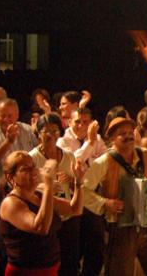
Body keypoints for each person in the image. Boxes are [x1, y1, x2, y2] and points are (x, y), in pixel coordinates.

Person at [82, 116, 147, 276]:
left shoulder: (145, 155)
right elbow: (83, 191)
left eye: (130, 132)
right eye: (122, 133)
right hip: (120, 228)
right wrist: (105, 203)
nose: (128, 136)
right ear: (112, 139)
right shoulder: (104, 161)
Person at [0, 150, 84, 276]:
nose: (33, 171)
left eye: (33, 166)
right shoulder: (10, 203)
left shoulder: (38, 195)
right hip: (26, 272)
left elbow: (75, 209)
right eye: (25, 169)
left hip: (49, 269)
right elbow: (41, 227)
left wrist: (78, 182)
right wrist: (48, 186)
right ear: (10, 177)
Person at [56, 106, 106, 276]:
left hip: (92, 194)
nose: (81, 125)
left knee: (96, 244)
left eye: (85, 122)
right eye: (77, 121)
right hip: (73, 196)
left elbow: (103, 164)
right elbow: (73, 163)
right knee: (74, 245)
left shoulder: (97, 138)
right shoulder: (63, 141)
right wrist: (90, 144)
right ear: (69, 122)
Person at [30, 113, 80, 276]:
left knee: (70, 259)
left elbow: (79, 184)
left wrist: (71, 180)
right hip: (47, 215)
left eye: (55, 131)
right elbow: (27, 188)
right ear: (38, 133)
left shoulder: (69, 155)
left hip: (68, 214)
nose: (51, 135)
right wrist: (46, 186)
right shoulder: (32, 158)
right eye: (46, 131)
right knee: (50, 260)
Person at [0, 98, 39, 206]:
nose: (6, 119)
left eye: (10, 116)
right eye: (2, 116)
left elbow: (37, 154)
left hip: (27, 188)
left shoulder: (27, 130)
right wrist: (8, 142)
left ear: (17, 115)